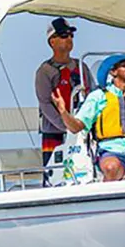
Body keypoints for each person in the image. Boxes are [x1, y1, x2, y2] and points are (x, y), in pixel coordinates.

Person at [34, 18, 93, 181]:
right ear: (52, 41)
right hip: (54, 130)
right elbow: (45, 103)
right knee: (54, 174)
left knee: (84, 169)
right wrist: (64, 125)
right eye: (63, 35)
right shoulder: (45, 71)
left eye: (70, 35)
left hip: (81, 129)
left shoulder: (81, 67)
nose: (68, 39)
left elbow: (92, 94)